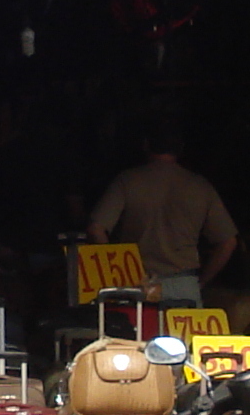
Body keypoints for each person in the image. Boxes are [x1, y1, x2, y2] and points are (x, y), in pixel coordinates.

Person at [87, 119, 238, 306]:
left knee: (132, 334)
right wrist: (202, 281)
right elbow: (228, 242)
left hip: (137, 282)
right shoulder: (200, 186)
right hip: (185, 284)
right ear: (181, 148)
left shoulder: (127, 181)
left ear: (145, 145)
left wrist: (118, 268)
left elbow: (96, 228)